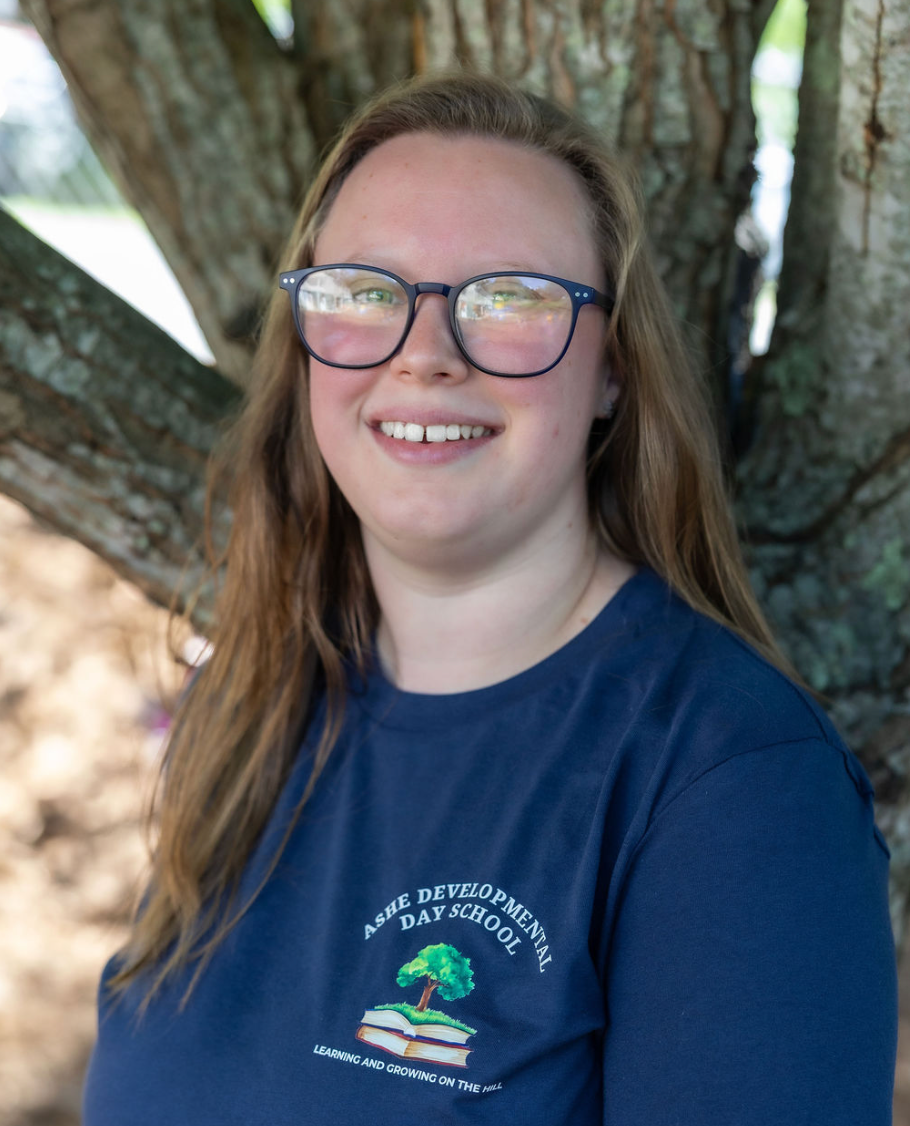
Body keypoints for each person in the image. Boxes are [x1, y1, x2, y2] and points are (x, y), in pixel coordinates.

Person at [82, 72, 897, 1124]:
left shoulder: (733, 789)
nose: (424, 355)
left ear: (612, 371)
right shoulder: (255, 703)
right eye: (367, 291)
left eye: (509, 299)